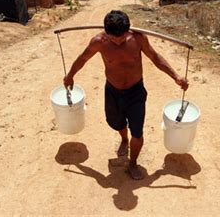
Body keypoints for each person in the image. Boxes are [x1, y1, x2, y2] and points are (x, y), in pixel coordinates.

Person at [63, 10, 188, 180]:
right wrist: (70, 75)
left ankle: (133, 163)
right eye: (113, 38)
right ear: (106, 33)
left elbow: (155, 57)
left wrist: (176, 76)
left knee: (137, 132)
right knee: (116, 122)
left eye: (121, 38)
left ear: (128, 31)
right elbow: (82, 59)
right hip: (113, 90)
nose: (117, 41)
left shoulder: (138, 39)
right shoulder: (99, 42)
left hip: (135, 91)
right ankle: (124, 139)